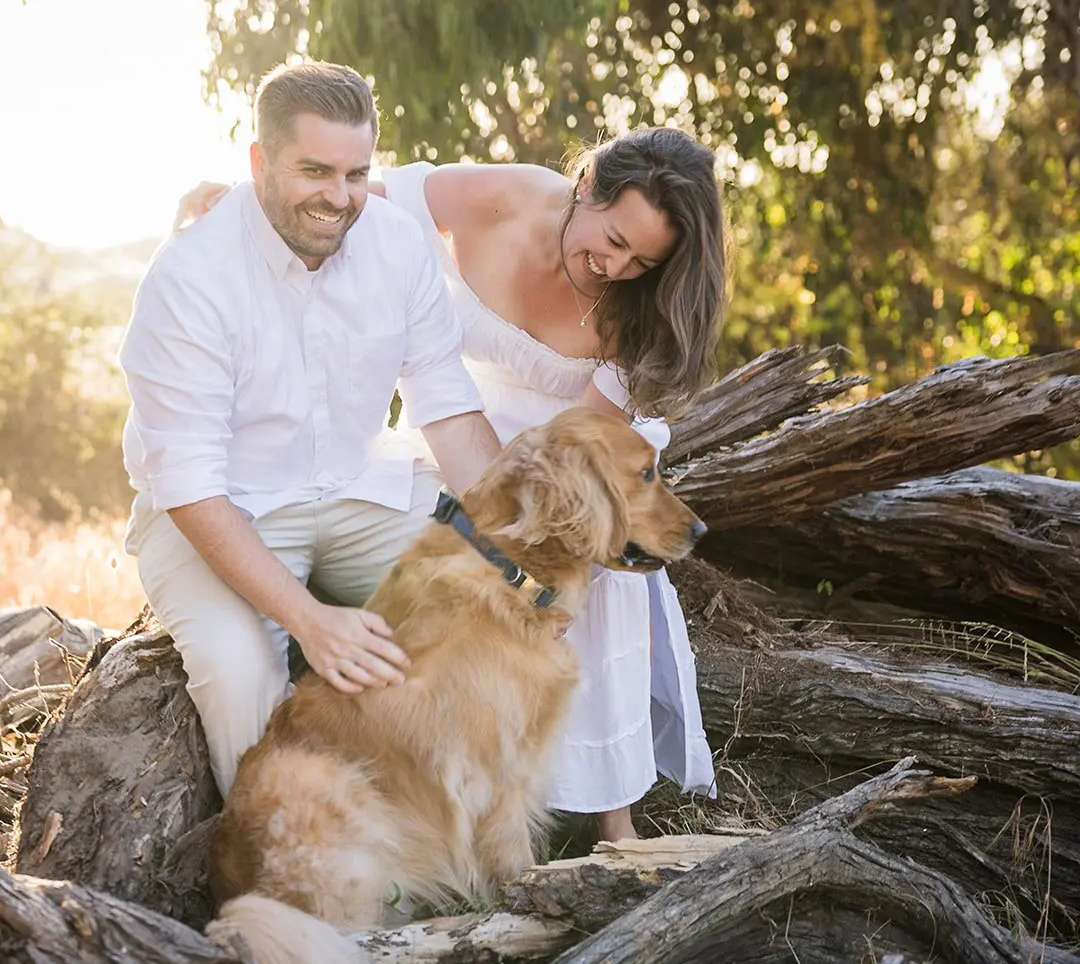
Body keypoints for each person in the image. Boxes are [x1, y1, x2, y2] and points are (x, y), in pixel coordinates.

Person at [171, 126, 729, 840]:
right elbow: (358, 201)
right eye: (614, 239)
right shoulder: (502, 196)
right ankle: (432, 778)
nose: (617, 266)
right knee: (435, 562)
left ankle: (610, 817)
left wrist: (536, 545)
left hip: (574, 454)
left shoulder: (643, 310)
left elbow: (576, 453)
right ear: (587, 187)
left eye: (642, 261)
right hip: (458, 424)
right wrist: (249, 201)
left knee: (573, 569)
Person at [119, 60, 502, 797]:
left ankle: (448, 837)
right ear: (259, 162)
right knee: (238, 677)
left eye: (356, 174)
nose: (340, 197)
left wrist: (519, 550)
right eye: (315, 171)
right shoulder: (190, 277)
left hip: (361, 487)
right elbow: (191, 488)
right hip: (221, 510)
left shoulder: (397, 246)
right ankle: (284, 853)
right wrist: (311, 622)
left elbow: (447, 406)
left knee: (486, 608)